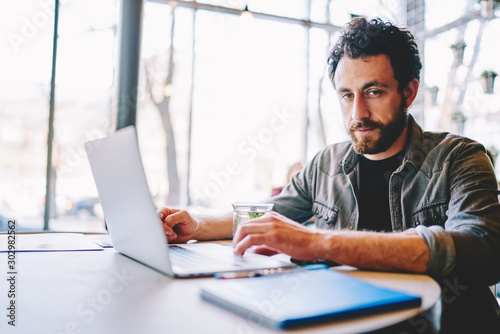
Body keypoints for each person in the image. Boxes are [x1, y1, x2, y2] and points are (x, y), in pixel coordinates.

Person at [158, 17, 500, 332]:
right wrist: (196, 226)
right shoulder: (326, 164)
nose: (358, 113)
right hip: (348, 323)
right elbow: (269, 216)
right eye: (346, 95)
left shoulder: (460, 157)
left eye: (374, 92)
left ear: (408, 92)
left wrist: (317, 242)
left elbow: (484, 251)